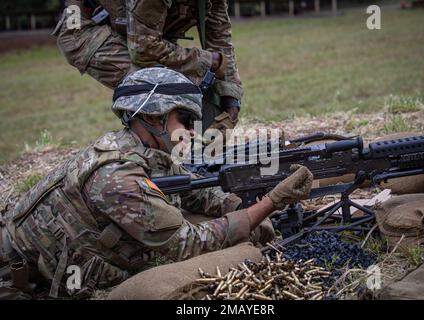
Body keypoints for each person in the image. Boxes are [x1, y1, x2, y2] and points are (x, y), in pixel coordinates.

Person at [0, 67, 313, 299]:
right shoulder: (116, 176)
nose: (192, 132)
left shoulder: (138, 150)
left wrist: (239, 203)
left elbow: (197, 193)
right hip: (22, 285)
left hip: (67, 266)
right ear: (152, 117)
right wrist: (269, 203)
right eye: (186, 122)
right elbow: (186, 243)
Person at [52, 0, 242, 133]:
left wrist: (231, 98)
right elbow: (143, 49)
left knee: (203, 91)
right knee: (161, 91)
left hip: (139, 34)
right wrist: (207, 61)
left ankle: (196, 157)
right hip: (84, 28)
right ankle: (148, 160)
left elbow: (220, 40)